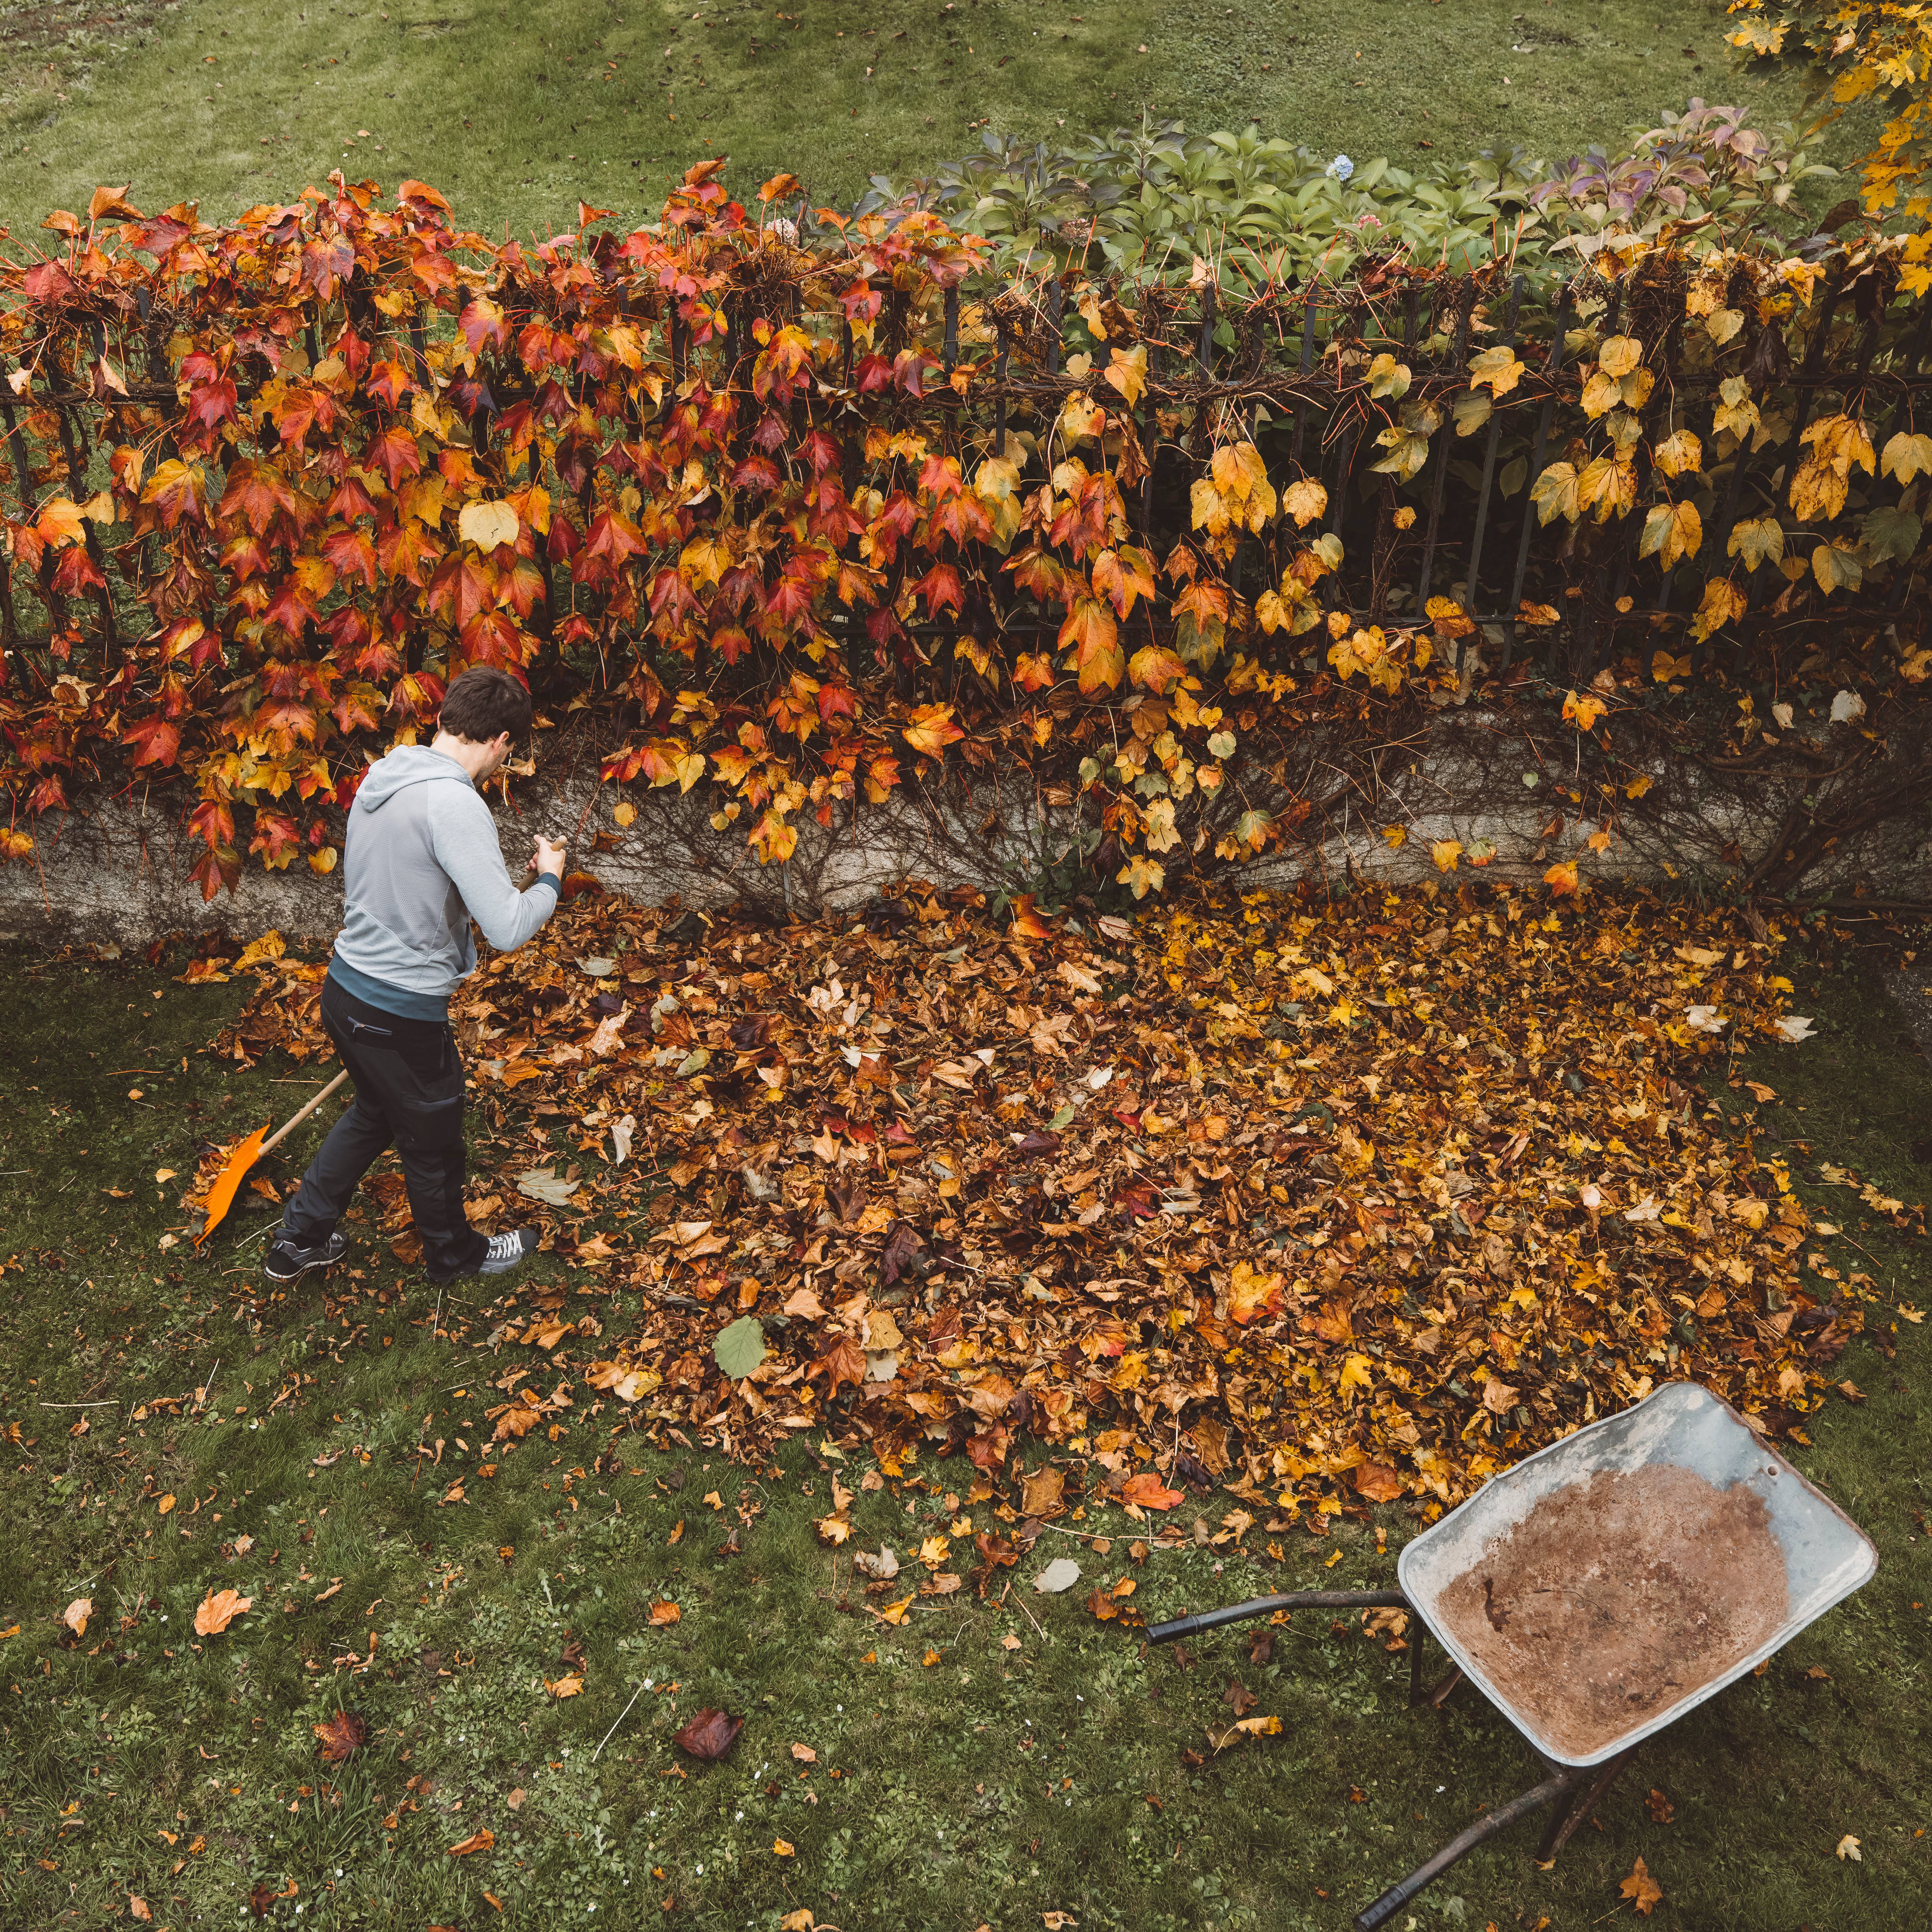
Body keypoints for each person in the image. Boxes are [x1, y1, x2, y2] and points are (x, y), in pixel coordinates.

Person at [265, 665, 564, 1285]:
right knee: (434, 1146)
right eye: (508, 753)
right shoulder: (455, 803)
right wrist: (550, 880)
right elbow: (507, 929)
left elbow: (416, 877)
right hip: (397, 1015)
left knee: (374, 1111)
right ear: (501, 742)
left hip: (345, 990)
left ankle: (299, 1239)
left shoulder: (387, 773)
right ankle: (457, 1257)